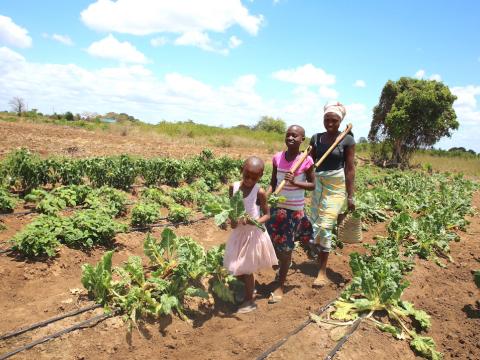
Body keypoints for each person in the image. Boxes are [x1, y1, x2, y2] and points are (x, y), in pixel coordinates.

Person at [266, 125, 315, 303]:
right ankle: (281, 267)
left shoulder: (306, 160)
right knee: (271, 245)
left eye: (296, 136)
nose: (291, 138)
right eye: (289, 135)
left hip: (293, 212)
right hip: (276, 210)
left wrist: (295, 182)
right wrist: (265, 197)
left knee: (286, 250)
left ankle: (280, 285)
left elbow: (312, 185)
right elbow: (273, 182)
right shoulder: (277, 158)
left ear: (303, 140)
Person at [309, 101, 356, 287]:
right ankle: (317, 250)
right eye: (327, 119)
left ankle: (322, 272)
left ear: (340, 120)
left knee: (326, 225)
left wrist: (351, 196)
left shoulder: (347, 140)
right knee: (316, 223)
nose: (330, 123)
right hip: (318, 185)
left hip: (336, 186)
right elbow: (308, 164)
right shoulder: (316, 139)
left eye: (334, 120)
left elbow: (350, 169)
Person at [223, 156, 278, 313]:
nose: (249, 180)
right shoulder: (233, 188)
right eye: (246, 175)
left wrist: (254, 221)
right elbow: (231, 210)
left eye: (254, 178)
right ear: (242, 170)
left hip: (252, 234)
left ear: (260, 177)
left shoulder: (259, 192)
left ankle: (249, 301)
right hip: (238, 233)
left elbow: (267, 215)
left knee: (246, 269)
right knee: (235, 265)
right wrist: (232, 220)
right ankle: (247, 291)